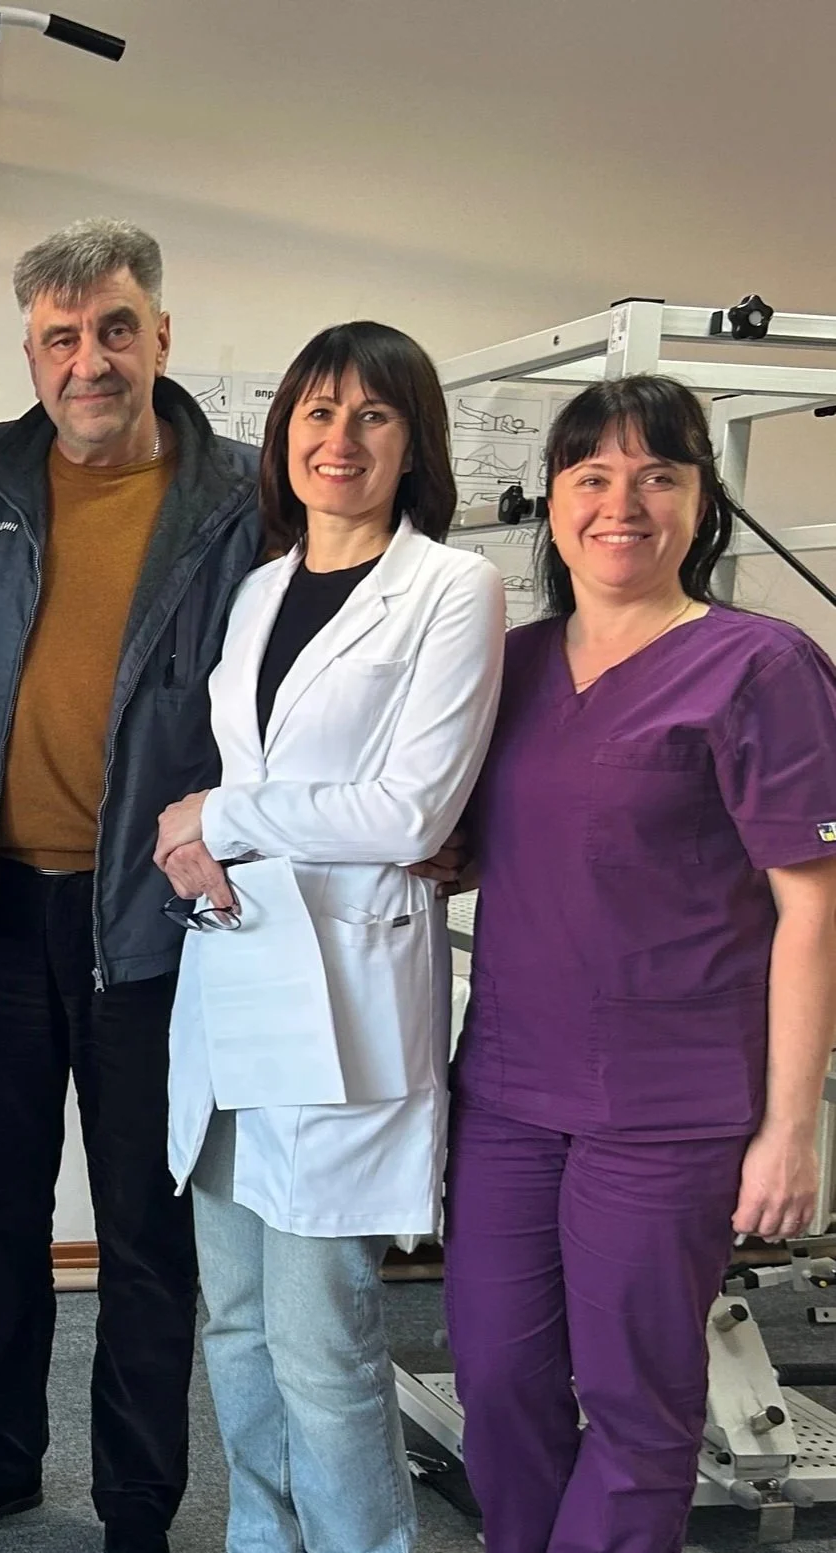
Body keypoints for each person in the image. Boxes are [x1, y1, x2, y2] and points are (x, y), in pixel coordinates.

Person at [0, 218, 263, 1553]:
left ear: (159, 334)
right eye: (61, 337)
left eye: (114, 328)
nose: (89, 360)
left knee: (141, 1233)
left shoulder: (238, 497)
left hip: (152, 926)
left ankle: (134, 1502)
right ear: (30, 352)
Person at [441, 375, 836, 1551]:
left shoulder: (762, 667)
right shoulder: (502, 665)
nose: (625, 502)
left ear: (701, 500)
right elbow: (466, 846)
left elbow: (813, 912)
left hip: (667, 1106)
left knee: (634, 1401)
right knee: (499, 1383)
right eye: (593, 477)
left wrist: (788, 1128)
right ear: (552, 503)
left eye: (659, 474)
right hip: (508, 1088)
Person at [152, 321, 505, 1552]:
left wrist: (220, 812)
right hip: (238, 971)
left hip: (344, 999)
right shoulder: (256, 589)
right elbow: (280, 785)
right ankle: (263, 1534)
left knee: (321, 1334)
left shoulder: (451, 590)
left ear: (413, 446)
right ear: (282, 433)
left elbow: (411, 807)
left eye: (370, 415)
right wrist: (198, 840)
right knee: (236, 1318)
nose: (336, 438)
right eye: (314, 411)